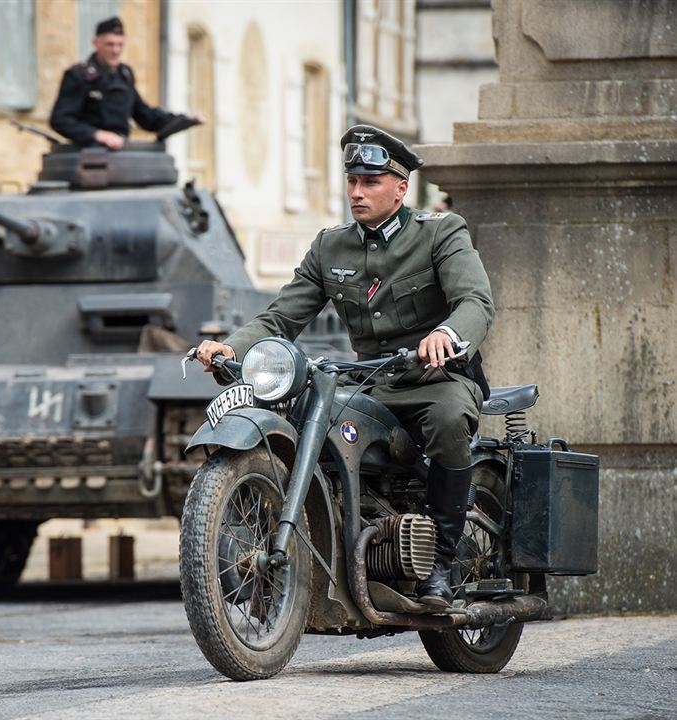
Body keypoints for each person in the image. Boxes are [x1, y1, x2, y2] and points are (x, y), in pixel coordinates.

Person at [195, 124, 496, 609]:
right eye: (352, 180)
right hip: (370, 383)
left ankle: (441, 560)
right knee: (303, 413)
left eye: (371, 182)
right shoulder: (330, 247)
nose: (357, 191)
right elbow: (281, 317)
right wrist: (233, 348)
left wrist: (446, 335)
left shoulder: (440, 233)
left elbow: (476, 302)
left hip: (435, 379)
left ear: (401, 188)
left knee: (446, 420)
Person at [49, 16, 201, 149]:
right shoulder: (78, 76)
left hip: (120, 156)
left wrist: (182, 120)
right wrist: (96, 134)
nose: (115, 50)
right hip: (85, 157)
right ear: (96, 43)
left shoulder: (124, 75)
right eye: (110, 44)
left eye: (120, 44)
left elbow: (145, 116)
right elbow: (60, 120)